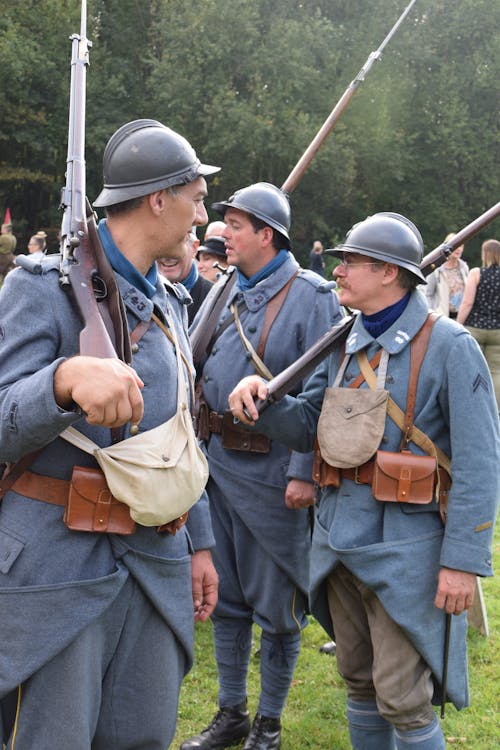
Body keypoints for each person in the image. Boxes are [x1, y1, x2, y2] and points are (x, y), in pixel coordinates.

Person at [228, 212, 499, 750]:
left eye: (351, 261)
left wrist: (462, 563)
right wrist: (262, 404)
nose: (340, 272)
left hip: (409, 552)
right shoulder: (345, 342)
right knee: (358, 680)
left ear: (388, 273)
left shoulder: (449, 346)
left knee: (402, 697)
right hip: (338, 543)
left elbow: (480, 463)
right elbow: (310, 424)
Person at [0, 118, 220, 749]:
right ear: (159, 199)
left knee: (141, 737)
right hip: (56, 570)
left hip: (153, 562)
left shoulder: (172, 304)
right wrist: (63, 380)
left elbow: (181, 435)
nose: (202, 215)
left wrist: (199, 544)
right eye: (196, 197)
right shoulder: (40, 288)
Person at [183, 182, 342, 750]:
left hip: (274, 475)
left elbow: (322, 392)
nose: (223, 234)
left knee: (276, 608)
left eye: (236, 226)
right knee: (224, 599)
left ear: (267, 236)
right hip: (214, 468)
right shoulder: (224, 289)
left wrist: (303, 470)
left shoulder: (313, 295)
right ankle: (231, 713)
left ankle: (269, 724)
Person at [457, 238, 500, 410]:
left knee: (472, 370)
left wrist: (458, 325)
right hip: (497, 330)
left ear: (485, 254)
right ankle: (495, 411)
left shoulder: (476, 273)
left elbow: (467, 303)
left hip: (475, 328)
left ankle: (472, 407)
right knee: (496, 372)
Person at [158, 229, 213, 325]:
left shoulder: (213, 298)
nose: (167, 255)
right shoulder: (140, 292)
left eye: (175, 245)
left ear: (194, 248)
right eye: (159, 245)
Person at [424, 233, 468, 318]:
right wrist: (432, 315)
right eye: (456, 246)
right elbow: (428, 294)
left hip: (462, 317)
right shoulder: (436, 269)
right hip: (442, 317)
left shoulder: (464, 267)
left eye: (461, 246)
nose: (458, 249)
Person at [0, 223, 17, 288]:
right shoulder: (13, 237)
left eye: (2, 228)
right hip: (10, 256)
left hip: (2, 256)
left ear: (5, 229)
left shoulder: (3, 237)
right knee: (6, 273)